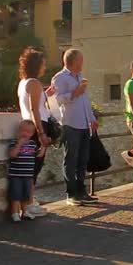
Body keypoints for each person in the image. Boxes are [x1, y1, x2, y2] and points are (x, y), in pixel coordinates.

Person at [53, 49, 99, 206]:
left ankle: (81, 191)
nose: (83, 63)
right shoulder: (60, 78)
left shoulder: (80, 77)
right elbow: (57, 100)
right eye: (81, 60)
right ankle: (71, 194)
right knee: (71, 159)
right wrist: (74, 93)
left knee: (82, 159)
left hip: (84, 124)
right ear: (73, 61)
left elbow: (85, 100)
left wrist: (92, 118)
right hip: (70, 124)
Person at [17, 47, 52, 217]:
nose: (44, 67)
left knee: (29, 167)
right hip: (38, 126)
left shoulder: (23, 83)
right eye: (43, 64)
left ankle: (28, 202)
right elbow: (35, 109)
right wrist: (41, 133)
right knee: (35, 167)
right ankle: (30, 203)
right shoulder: (34, 83)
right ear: (37, 65)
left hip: (27, 126)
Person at [8, 120, 41, 223]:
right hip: (16, 175)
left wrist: (43, 147)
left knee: (25, 196)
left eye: (28, 132)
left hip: (28, 175)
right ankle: (15, 213)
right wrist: (19, 144)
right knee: (16, 195)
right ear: (18, 131)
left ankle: (25, 211)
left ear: (32, 134)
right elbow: (12, 154)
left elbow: (37, 155)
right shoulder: (14, 142)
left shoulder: (32, 144)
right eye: (22, 130)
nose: (24, 133)